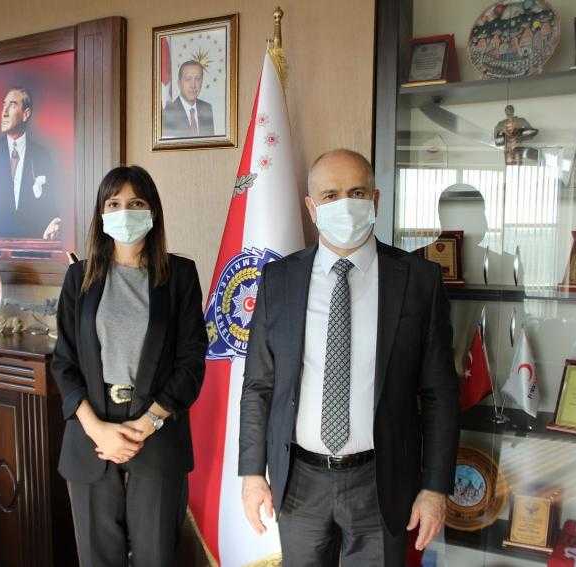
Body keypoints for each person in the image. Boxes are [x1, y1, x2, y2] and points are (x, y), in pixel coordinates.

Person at [239, 149, 460, 566]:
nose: (344, 204)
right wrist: (252, 473)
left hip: (382, 481)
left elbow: (440, 394)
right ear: (311, 208)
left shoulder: (419, 280)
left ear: (375, 200)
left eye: (356, 192)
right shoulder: (279, 279)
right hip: (299, 482)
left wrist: (435, 488)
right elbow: (258, 385)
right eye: (330, 195)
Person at [51, 165, 208, 567]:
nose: (125, 212)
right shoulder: (78, 277)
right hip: (91, 439)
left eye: (136, 203)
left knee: (157, 557)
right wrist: (96, 428)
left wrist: (148, 423)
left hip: (157, 435)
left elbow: (191, 363)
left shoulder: (180, 276)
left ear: (152, 211)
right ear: (101, 214)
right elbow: (64, 363)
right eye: (114, 203)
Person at [0, 86, 61, 251]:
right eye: (4, 105)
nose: (4, 112)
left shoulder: (42, 155)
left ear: (26, 114)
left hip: (35, 251)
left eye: (12, 105)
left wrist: (55, 222)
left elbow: (52, 205)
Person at [162, 60, 215, 138]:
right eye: (188, 79)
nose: (193, 85)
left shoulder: (207, 108)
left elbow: (210, 142)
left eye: (197, 79)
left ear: (202, 82)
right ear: (179, 83)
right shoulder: (168, 112)